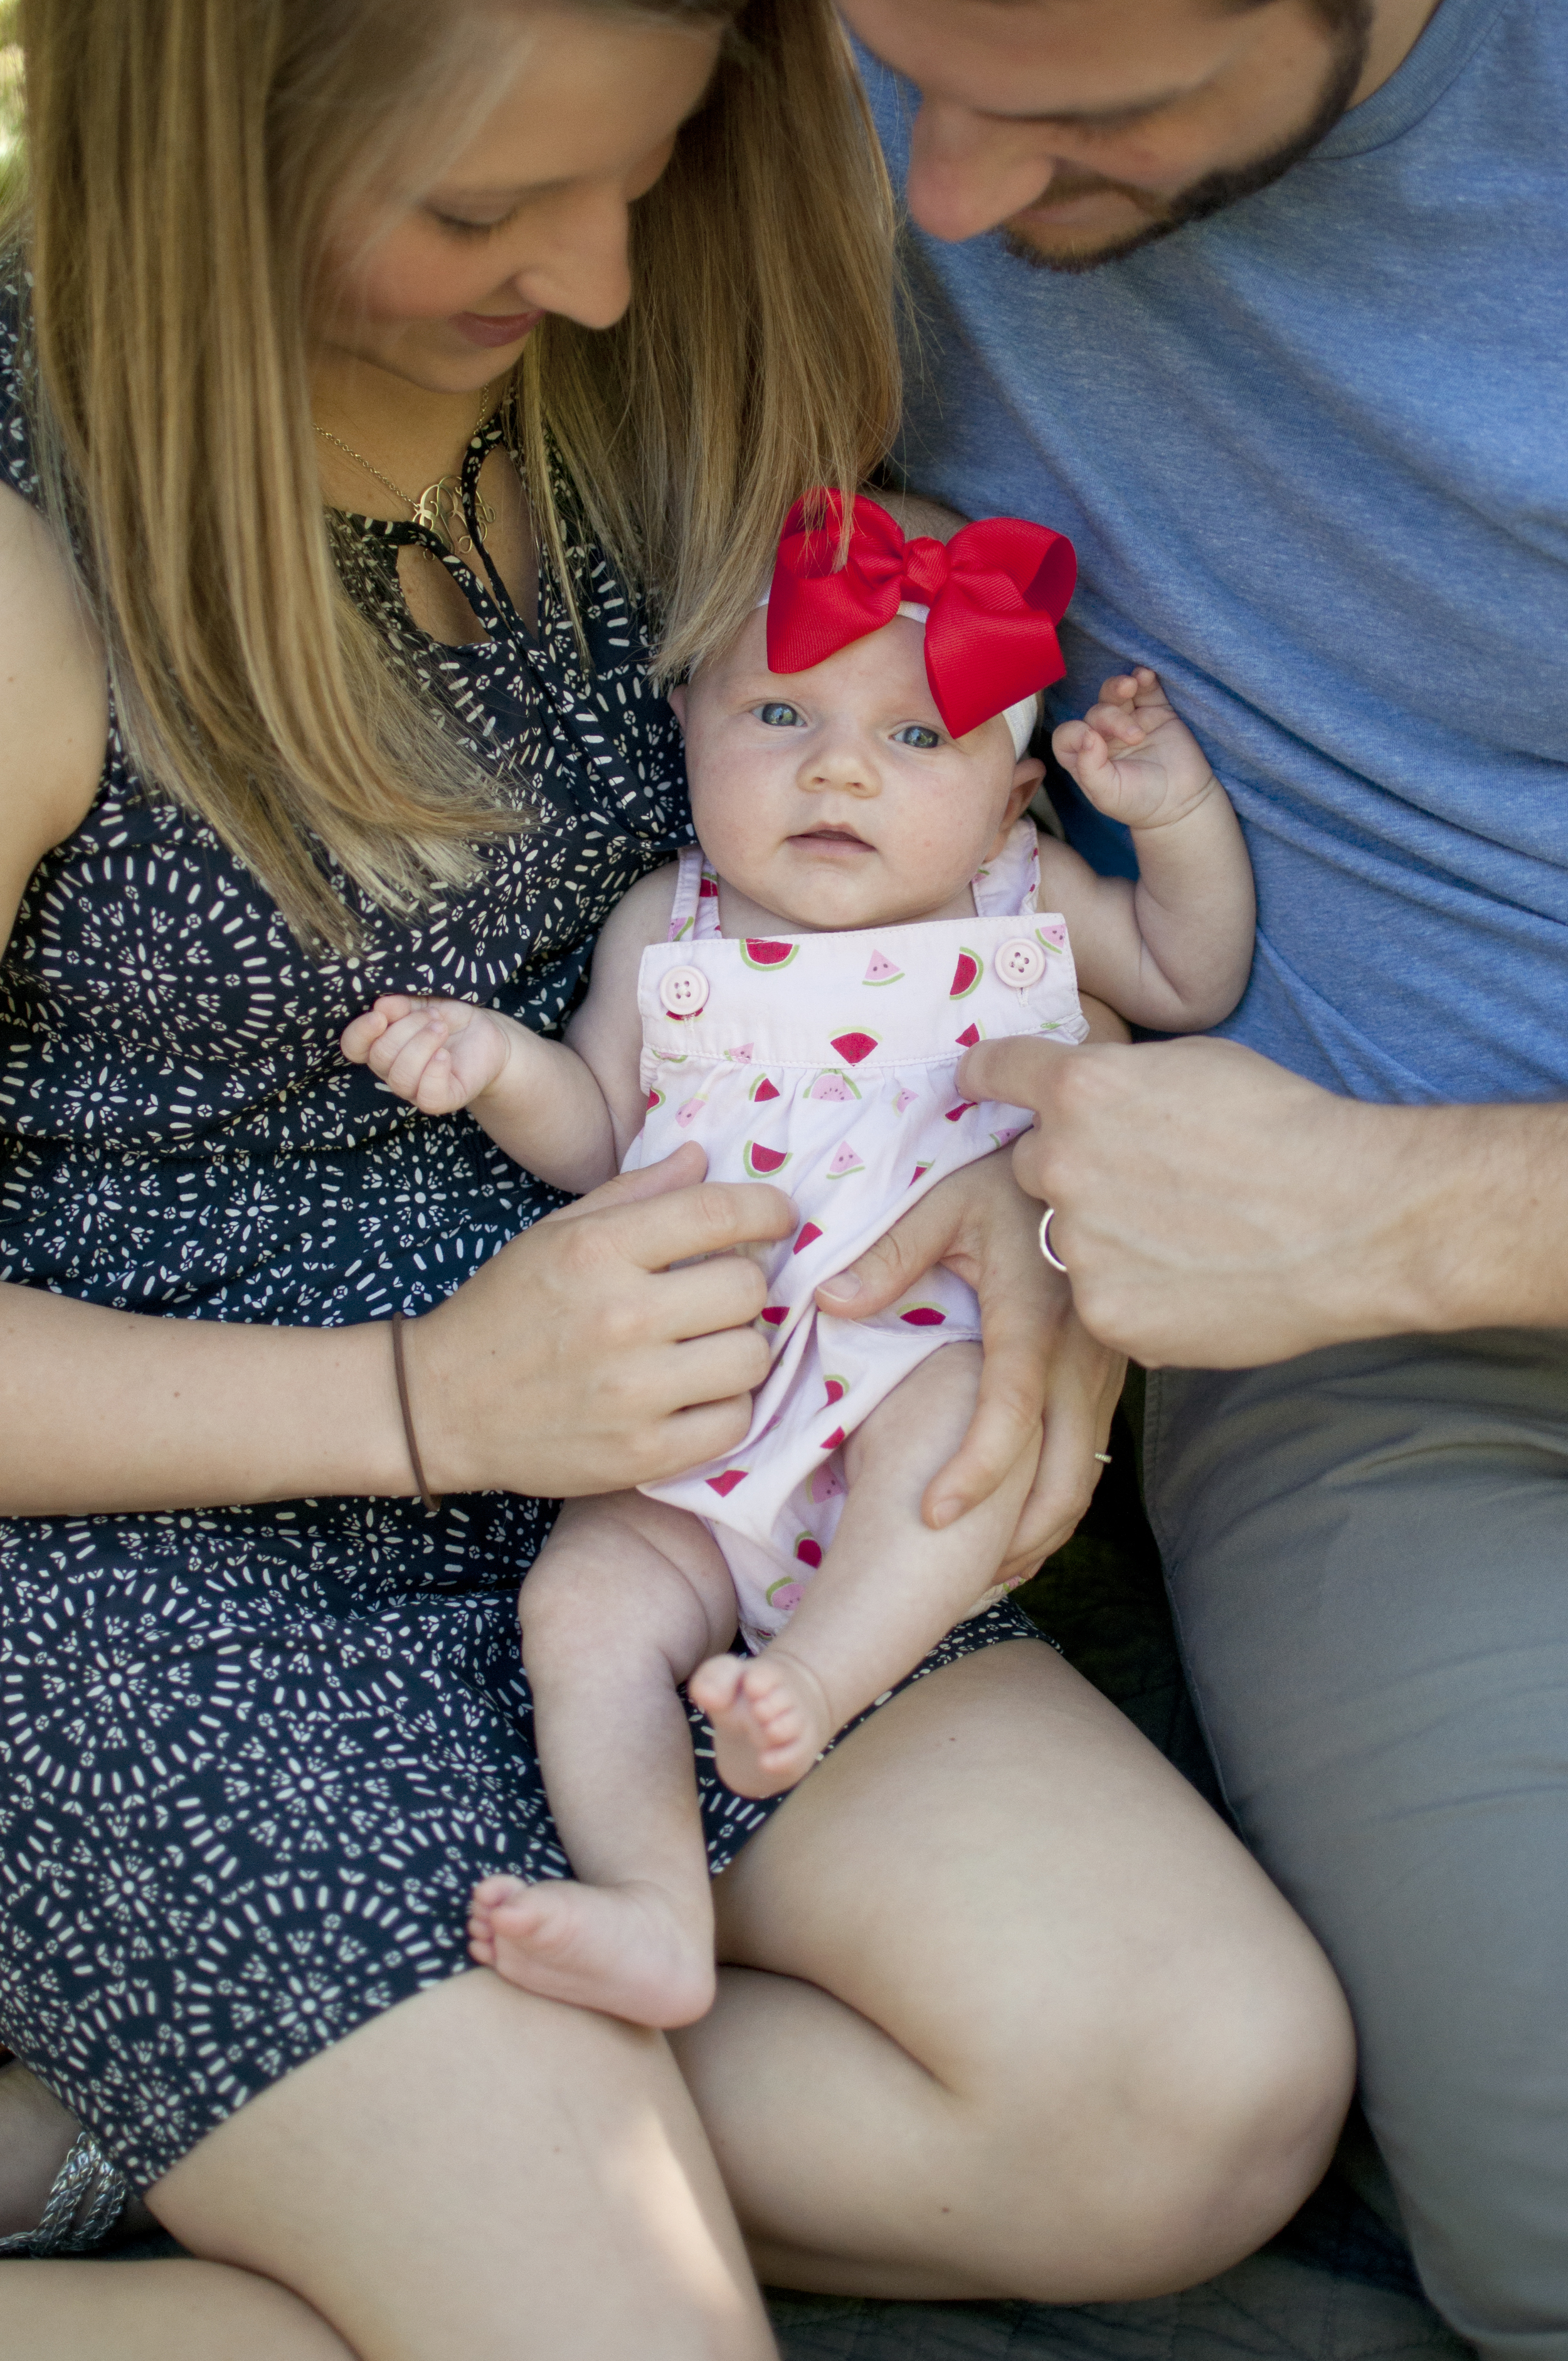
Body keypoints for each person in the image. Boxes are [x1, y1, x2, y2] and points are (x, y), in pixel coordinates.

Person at [0, 2, 1355, 2353]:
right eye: (482, 208)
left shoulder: (661, 369)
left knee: (1189, 2100)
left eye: (640, 172)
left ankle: (123, 2144)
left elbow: (917, 938)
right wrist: (427, 1402)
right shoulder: (31, 574)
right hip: (149, 1554)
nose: (605, 276)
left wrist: (1020, 1243)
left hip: (694, 1457)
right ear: (209, 148)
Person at [836, 0, 1568, 2352]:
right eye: (896, 61)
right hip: (1381, 1373)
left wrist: (1423, 1203)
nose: (942, 194)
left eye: (1081, 112)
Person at [344, 484, 1255, 2030]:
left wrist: (1167, 815)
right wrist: (491, 1062)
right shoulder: (668, 925)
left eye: (915, 739)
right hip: (703, 1393)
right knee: (584, 1609)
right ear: (686, 725)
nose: (837, 766)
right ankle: (647, 1900)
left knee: (954, 1432)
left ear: (1010, 793)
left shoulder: (1020, 899)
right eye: (778, 710)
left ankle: (820, 1683)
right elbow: (595, 1130)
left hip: (909, 1347)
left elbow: (1189, 969)